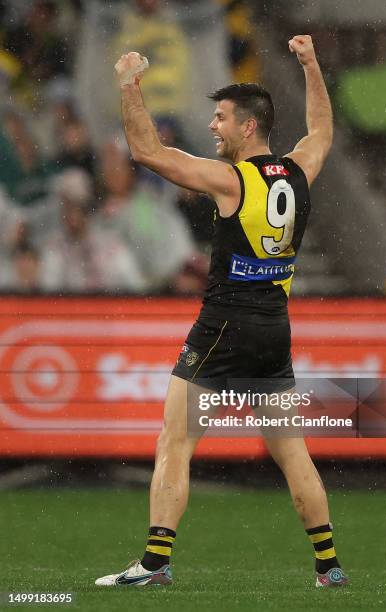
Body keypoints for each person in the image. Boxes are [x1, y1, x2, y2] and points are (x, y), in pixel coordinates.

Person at [96, 35, 348, 589]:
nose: (213, 126)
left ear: (248, 127)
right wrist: (309, 66)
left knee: (175, 441)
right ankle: (329, 566)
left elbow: (147, 153)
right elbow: (322, 132)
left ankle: (154, 565)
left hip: (224, 324)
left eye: (221, 118)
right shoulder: (298, 172)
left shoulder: (232, 180)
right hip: (273, 327)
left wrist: (128, 84)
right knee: (290, 451)